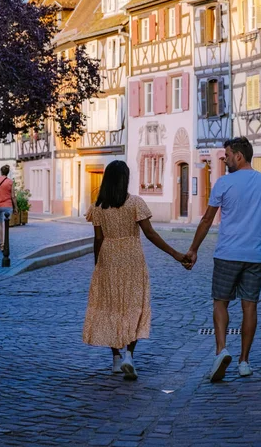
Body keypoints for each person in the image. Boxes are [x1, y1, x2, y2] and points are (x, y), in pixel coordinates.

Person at [184, 137, 261, 382]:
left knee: (220, 303)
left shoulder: (223, 184)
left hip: (227, 254)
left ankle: (221, 351)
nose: (224, 159)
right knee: (250, 306)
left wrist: (193, 249)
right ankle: (244, 361)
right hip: (255, 256)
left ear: (238, 155)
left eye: (227, 155)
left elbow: (207, 220)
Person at [83, 160, 186, 380]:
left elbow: (98, 239)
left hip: (108, 258)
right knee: (133, 306)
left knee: (111, 308)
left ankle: (115, 359)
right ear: (125, 179)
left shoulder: (98, 207)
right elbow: (151, 234)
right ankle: (129, 354)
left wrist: (97, 264)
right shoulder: (135, 203)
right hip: (132, 258)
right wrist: (176, 254)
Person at [0, 165, 18, 251]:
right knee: (6, 225)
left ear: (1, 172)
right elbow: (13, 196)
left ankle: (1, 243)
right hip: (8, 206)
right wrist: (16, 207)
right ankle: (6, 243)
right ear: (8, 172)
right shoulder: (10, 182)